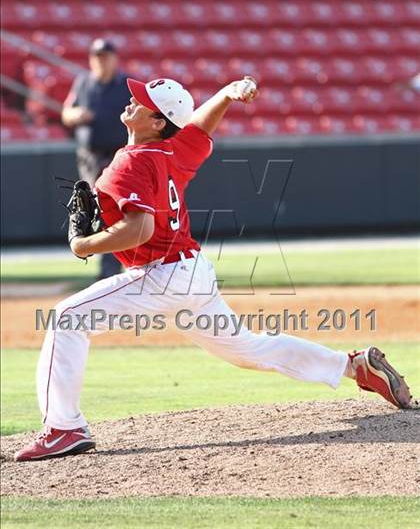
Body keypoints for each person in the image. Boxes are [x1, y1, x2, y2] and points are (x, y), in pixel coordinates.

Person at [15, 76, 414, 461]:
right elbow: (198, 126)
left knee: (67, 318)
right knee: (248, 349)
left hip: (161, 276)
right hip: (191, 272)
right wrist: (225, 94)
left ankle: (64, 427)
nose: (131, 101)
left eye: (142, 102)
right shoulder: (174, 149)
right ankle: (353, 366)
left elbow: (140, 228)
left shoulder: (130, 163)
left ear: (157, 122)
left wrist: (85, 244)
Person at [62, 38, 130, 279]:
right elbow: (66, 112)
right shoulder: (84, 82)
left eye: (105, 56)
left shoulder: (126, 84)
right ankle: (109, 269)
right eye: (96, 57)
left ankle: (114, 269)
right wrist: (75, 114)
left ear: (114, 58)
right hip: (90, 157)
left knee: (115, 210)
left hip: (119, 156)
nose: (100, 61)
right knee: (97, 210)